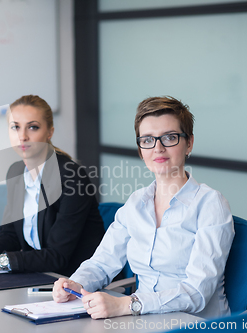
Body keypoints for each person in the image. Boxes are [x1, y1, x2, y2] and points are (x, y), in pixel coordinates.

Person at [53, 96, 235, 319]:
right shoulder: (136, 203)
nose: (158, 148)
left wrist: (127, 305)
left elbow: (197, 293)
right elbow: (102, 263)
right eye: (147, 140)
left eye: (170, 137)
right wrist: (74, 284)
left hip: (195, 324)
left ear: (189, 143)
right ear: (141, 149)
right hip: (143, 321)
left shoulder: (210, 204)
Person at [0, 95, 105, 277]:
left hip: (75, 283)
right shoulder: (16, 172)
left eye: (33, 127)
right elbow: (10, 235)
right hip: (38, 277)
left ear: (49, 132)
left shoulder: (71, 176)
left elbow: (57, 256)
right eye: (15, 127)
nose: (23, 136)